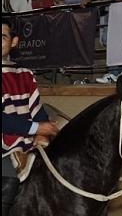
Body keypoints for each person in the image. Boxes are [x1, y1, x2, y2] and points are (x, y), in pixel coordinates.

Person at [2, 18, 60, 215]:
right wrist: (36, 129)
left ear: (14, 42)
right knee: (9, 182)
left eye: (2, 37)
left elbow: (36, 108)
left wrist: (42, 132)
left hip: (25, 136)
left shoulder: (24, 73)